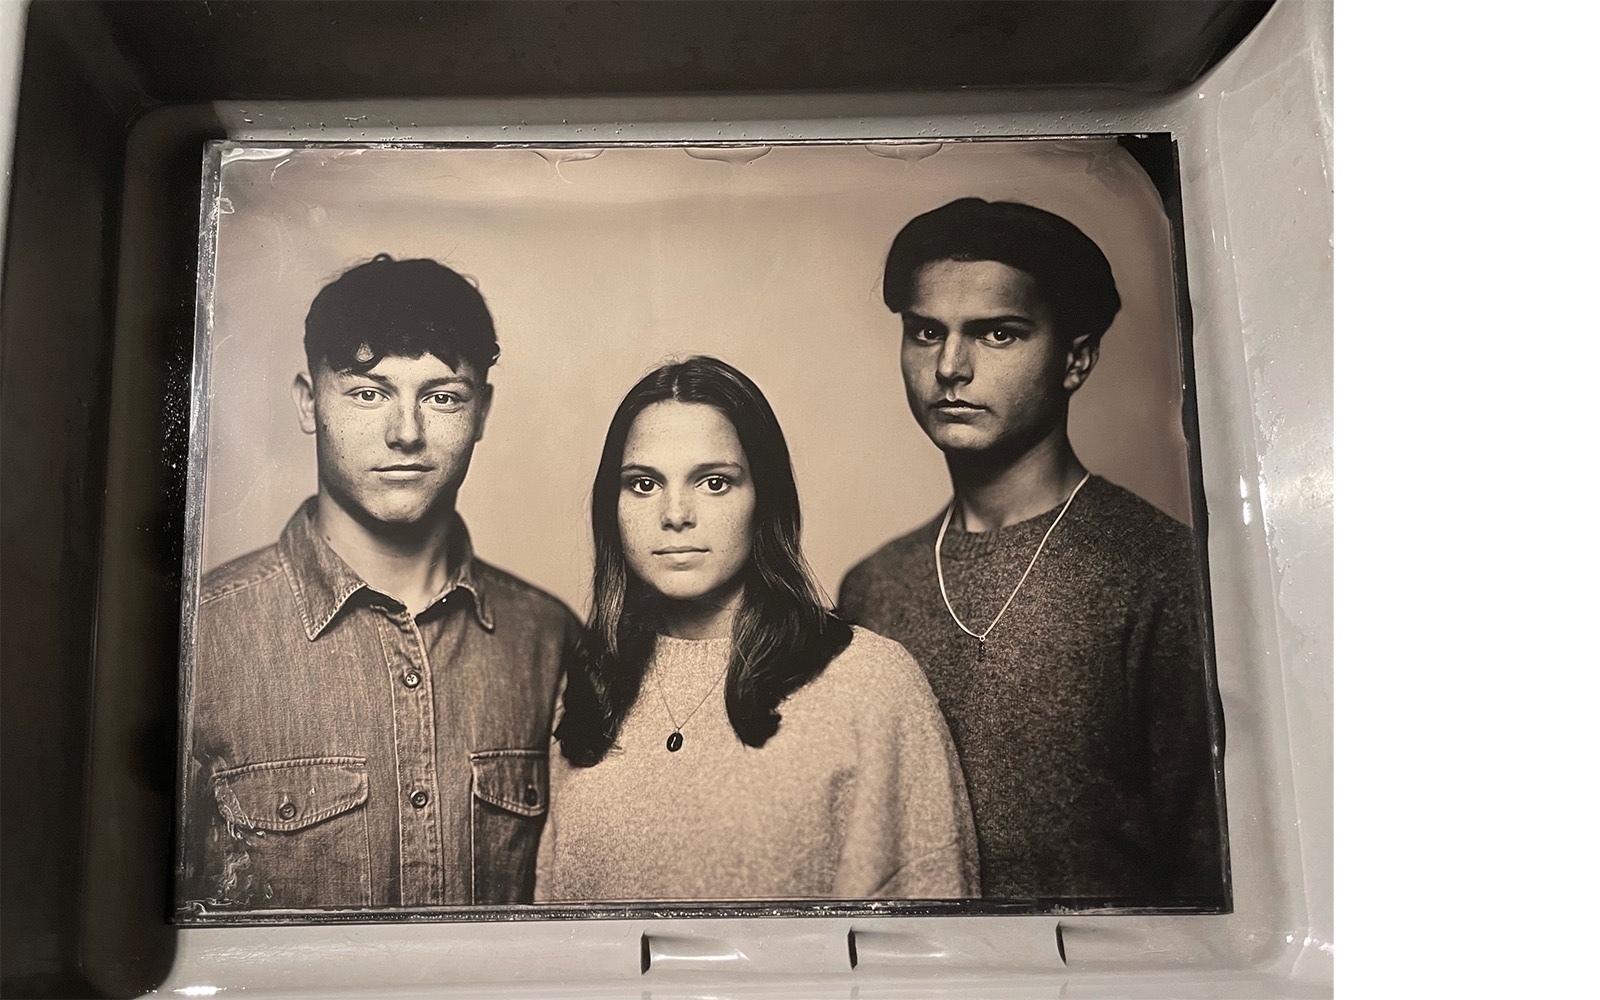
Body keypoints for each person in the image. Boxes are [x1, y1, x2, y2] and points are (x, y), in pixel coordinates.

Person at [837, 198, 1227, 906]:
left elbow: (1215, 871)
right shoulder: (872, 587)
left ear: (1075, 358)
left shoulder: (1160, 571)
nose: (950, 367)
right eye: (926, 332)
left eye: (998, 335)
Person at [180, 255, 577, 912]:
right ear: (310, 403)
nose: (406, 433)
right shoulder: (201, 638)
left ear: (481, 413)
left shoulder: (549, 639)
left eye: (442, 396)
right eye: (368, 393)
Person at [537, 356, 977, 901]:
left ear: (763, 500)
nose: (676, 513)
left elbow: (930, 948)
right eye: (645, 484)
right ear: (613, 508)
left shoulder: (873, 685)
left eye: (714, 482)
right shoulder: (586, 691)